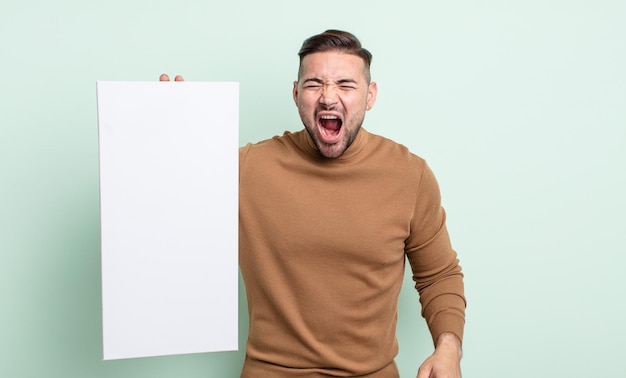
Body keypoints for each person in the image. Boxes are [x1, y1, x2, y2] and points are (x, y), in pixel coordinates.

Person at [161, 29, 466, 378]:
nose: (328, 97)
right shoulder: (247, 169)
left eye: (345, 85)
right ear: (295, 94)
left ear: (370, 95)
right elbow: (171, 194)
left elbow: (438, 275)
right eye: (313, 84)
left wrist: (448, 349)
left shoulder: (410, 176)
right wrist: (170, 124)